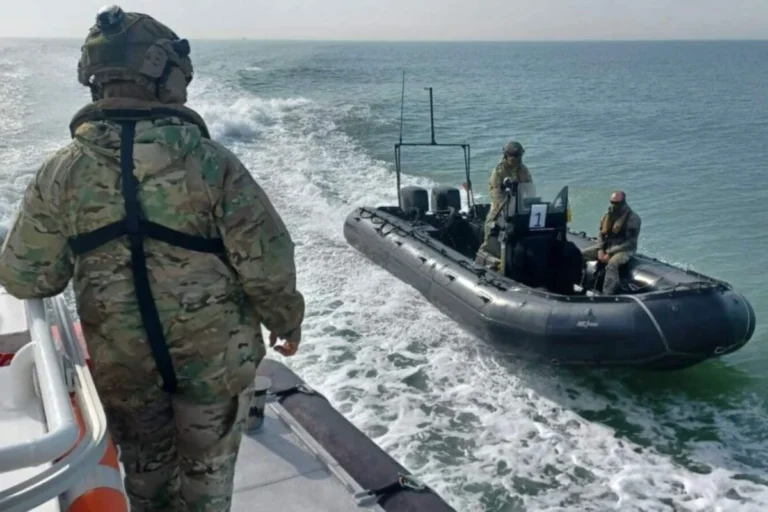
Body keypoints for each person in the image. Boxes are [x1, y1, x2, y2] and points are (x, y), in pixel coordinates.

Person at [0, 6, 304, 511]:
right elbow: (268, 262)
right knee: (206, 493)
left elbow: (24, 275)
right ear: (163, 74)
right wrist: (285, 319)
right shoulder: (213, 166)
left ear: (93, 77)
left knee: (147, 489)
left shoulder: (60, 173)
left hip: (126, 373)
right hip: (213, 371)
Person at [477, 140, 533, 256]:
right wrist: (503, 210)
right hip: (502, 204)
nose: (517, 159)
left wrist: (530, 203)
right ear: (506, 156)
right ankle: (486, 251)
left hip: (519, 204)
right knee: (491, 223)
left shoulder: (523, 169)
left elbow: (530, 188)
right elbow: (495, 192)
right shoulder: (499, 172)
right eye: (514, 157)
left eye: (519, 156)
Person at [581, 190, 642, 294]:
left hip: (624, 249)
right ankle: (578, 282)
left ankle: (608, 293)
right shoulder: (608, 215)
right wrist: (600, 249)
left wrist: (610, 253)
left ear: (623, 202)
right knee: (580, 254)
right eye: (612, 202)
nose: (614, 205)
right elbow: (601, 234)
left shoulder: (633, 219)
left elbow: (630, 242)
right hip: (607, 246)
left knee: (612, 264)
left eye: (616, 203)